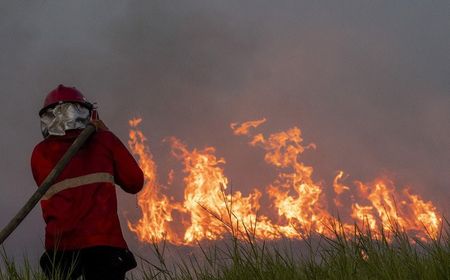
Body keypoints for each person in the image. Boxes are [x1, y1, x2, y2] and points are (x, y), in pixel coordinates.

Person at [31, 84, 144, 280]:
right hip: (103, 247)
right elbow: (134, 182)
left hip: (60, 251)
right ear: (88, 114)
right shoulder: (104, 141)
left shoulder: (39, 154)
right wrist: (105, 132)